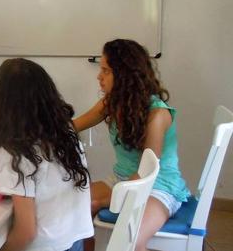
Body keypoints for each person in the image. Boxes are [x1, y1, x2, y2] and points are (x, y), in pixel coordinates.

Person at [74, 39, 190, 251]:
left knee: (132, 241)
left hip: (157, 187)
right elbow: (73, 126)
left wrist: (104, 201)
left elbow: (145, 175)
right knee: (71, 207)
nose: (99, 77)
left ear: (125, 75)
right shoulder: (112, 102)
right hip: (122, 179)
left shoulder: (157, 115)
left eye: (106, 71)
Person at [0, 58, 93, 251]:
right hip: (75, 241)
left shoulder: (16, 151)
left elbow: (26, 232)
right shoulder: (66, 132)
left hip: (45, 246)